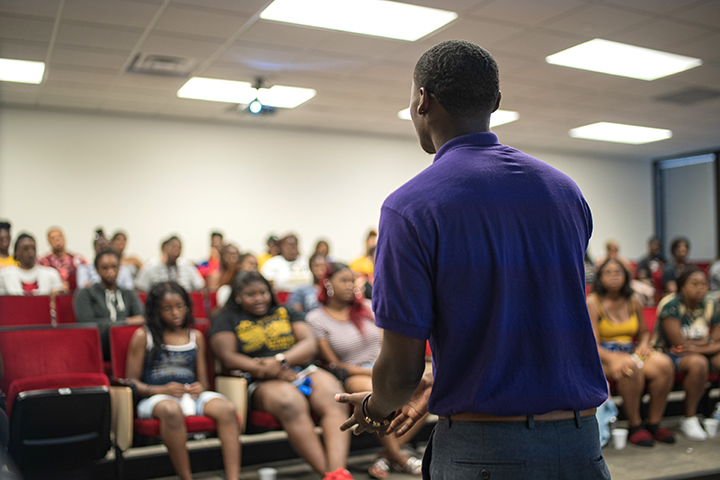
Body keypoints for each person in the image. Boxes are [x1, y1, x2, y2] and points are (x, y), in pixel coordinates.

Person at [335, 40, 609, 480]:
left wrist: (375, 406)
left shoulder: (410, 207)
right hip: (581, 444)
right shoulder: (565, 192)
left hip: (485, 450)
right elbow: (530, 313)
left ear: (422, 100)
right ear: (496, 102)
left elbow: (402, 369)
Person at [209, 271, 353, 480]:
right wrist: (266, 369)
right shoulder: (226, 317)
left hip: (297, 368)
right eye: (251, 294)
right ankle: (328, 475)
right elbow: (227, 356)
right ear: (238, 296)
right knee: (290, 402)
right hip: (258, 378)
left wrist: (281, 361)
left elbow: (308, 343)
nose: (259, 298)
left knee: (334, 396)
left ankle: (339, 472)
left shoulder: (285, 311)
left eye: (263, 293)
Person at [307, 263, 424, 478]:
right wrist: (374, 373)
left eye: (352, 281)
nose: (350, 285)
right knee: (375, 391)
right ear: (327, 283)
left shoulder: (368, 308)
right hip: (352, 375)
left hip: (384, 368)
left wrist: (388, 370)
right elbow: (335, 364)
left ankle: (386, 456)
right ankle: (399, 457)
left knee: (424, 390)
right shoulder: (316, 319)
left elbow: (387, 345)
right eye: (343, 280)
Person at [126, 282, 240, 480]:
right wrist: (161, 389)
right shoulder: (144, 336)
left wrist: (199, 387)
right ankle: (186, 477)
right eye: (167, 308)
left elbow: (204, 381)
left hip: (189, 394)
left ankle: (233, 477)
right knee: (172, 410)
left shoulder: (195, 336)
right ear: (156, 311)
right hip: (156, 397)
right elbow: (132, 382)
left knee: (227, 409)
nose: (176, 313)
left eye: (180, 306)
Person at [587, 259, 675, 446]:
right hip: (603, 356)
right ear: (600, 278)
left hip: (630, 351)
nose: (613, 276)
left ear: (626, 277)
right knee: (630, 368)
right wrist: (614, 358)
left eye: (617, 272)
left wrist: (644, 343)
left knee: (665, 365)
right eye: (608, 272)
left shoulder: (633, 300)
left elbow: (643, 332)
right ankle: (635, 425)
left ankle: (654, 422)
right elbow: (592, 344)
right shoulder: (592, 302)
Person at [653, 267, 720, 441]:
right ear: (682, 288)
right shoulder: (671, 304)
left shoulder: (711, 303)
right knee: (698, 363)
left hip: (698, 352)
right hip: (668, 354)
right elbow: (679, 344)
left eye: (704, 284)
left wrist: (700, 346)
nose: (701, 288)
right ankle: (689, 418)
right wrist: (707, 343)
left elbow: (718, 340)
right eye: (695, 284)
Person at [74, 250, 145, 360]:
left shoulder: (128, 293)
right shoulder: (86, 294)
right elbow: (89, 326)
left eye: (114, 267)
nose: (111, 272)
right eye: (105, 268)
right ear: (97, 270)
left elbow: (141, 319)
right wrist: (126, 322)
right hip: (99, 347)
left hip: (129, 346)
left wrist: (108, 323)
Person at [135, 236, 205, 292]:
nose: (176, 251)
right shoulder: (151, 267)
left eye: (179, 248)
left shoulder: (188, 266)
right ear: (164, 248)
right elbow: (140, 290)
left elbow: (200, 288)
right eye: (173, 247)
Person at [38, 227, 86, 292]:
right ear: (49, 241)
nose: (57, 240)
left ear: (64, 238)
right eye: (53, 238)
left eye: (59, 236)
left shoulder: (78, 259)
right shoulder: (42, 261)